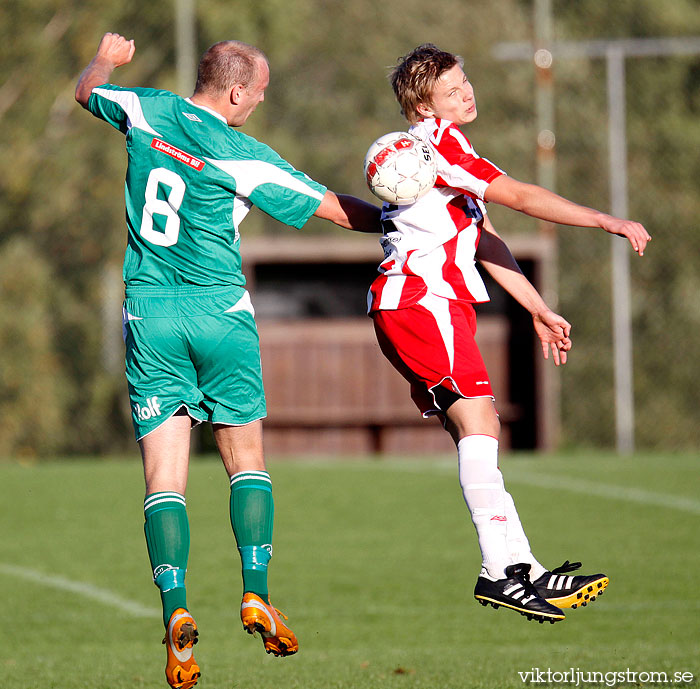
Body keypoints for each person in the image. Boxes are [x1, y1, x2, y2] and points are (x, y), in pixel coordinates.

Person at [75, 33, 380, 689]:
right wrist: (399, 223)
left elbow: (85, 91)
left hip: (151, 314)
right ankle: (256, 591)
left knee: (164, 476)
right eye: (260, 90)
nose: (262, 100)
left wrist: (107, 57)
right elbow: (334, 209)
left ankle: (176, 608)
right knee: (246, 459)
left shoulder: (145, 110)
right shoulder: (247, 156)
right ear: (235, 90)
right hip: (221, 315)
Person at [369, 44, 651, 624]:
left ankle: (519, 567)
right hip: (424, 302)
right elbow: (518, 197)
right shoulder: (439, 143)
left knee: (476, 429)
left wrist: (536, 307)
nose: (467, 92)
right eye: (452, 89)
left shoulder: (442, 149)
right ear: (424, 105)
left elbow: (485, 236)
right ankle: (499, 571)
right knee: (480, 423)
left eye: (465, 80)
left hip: (427, 304)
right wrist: (605, 219)